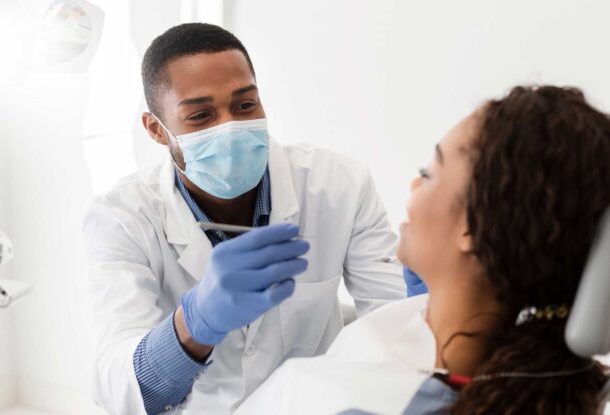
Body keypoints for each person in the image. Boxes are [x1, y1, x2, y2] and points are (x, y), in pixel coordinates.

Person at [82, 23, 415, 414]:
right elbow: (123, 389)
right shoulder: (121, 218)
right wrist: (195, 325)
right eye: (201, 115)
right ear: (157, 129)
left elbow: (398, 328)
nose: (230, 127)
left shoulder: (340, 184)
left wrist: (429, 307)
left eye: (244, 106)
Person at [237, 85, 610, 414]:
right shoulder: (550, 376)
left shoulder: (371, 403)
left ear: (473, 226)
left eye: (430, 173)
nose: (414, 185)